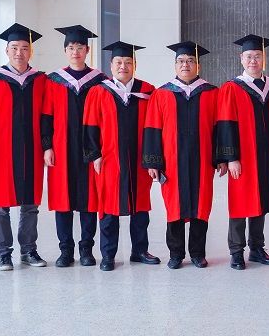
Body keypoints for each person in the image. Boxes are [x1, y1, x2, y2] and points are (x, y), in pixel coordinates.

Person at [143, 41, 222, 269]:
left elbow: (219, 129)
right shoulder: (162, 94)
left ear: (198, 65)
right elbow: (152, 129)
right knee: (174, 207)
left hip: (202, 160)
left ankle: (197, 253)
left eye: (190, 61)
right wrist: (153, 162)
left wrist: (220, 158)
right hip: (171, 161)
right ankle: (176, 254)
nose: (185, 64)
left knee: (201, 207)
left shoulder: (211, 92)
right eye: (180, 61)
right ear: (175, 65)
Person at [83, 40, 160, 271]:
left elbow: (155, 127)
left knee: (141, 207)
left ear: (134, 64)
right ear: (111, 65)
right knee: (108, 207)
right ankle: (108, 255)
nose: (123, 66)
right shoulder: (99, 91)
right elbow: (90, 125)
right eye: (118, 62)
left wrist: (153, 159)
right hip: (109, 159)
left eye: (128, 62)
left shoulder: (148, 91)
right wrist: (94, 155)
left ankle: (140, 251)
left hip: (139, 160)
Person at [0, 23, 48, 270]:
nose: (19, 52)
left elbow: (46, 117)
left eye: (25, 48)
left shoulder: (41, 80)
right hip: (3, 151)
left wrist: (47, 146)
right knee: (1, 206)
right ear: (6, 50)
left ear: (31, 52)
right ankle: (3, 253)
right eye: (15, 47)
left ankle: (29, 250)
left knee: (31, 205)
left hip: (32, 151)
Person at [216, 34, 269, 270]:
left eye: (257, 56)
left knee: (260, 200)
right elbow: (225, 124)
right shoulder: (232, 88)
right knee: (240, 202)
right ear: (241, 59)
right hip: (243, 158)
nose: (253, 60)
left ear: (264, 58)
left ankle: (256, 248)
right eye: (249, 57)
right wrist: (231, 157)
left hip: (265, 156)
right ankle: (236, 251)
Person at [41, 24, 105, 267]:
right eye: (71, 48)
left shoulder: (100, 81)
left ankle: (86, 249)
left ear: (87, 50)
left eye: (79, 47)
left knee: (90, 200)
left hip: (90, 148)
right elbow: (46, 116)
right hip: (61, 148)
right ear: (65, 51)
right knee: (63, 199)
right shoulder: (53, 81)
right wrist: (47, 146)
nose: (75, 52)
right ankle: (65, 250)